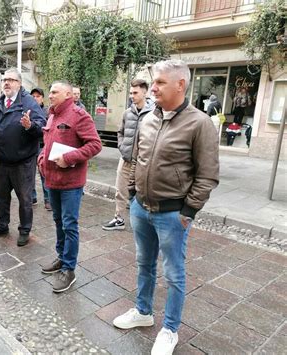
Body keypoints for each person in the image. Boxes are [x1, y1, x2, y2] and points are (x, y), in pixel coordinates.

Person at [112, 60, 219, 355]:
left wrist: (188, 213)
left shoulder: (199, 123)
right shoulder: (148, 118)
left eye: (159, 82)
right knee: (143, 263)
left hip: (173, 214)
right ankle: (143, 311)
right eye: (153, 82)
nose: (153, 88)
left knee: (174, 273)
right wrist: (133, 194)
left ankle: (170, 329)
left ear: (180, 85)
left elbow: (207, 175)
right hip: (141, 208)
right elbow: (136, 158)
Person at [38, 81, 102, 293]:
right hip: (52, 180)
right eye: (50, 92)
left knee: (69, 224)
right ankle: (61, 256)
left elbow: (95, 145)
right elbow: (47, 142)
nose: (50, 95)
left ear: (67, 94)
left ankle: (69, 269)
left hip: (71, 183)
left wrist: (68, 157)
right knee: (58, 221)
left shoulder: (79, 115)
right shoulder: (52, 114)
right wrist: (41, 159)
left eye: (55, 92)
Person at [0, 68, 46, 247]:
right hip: (0, 162)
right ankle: (2, 225)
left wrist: (30, 126)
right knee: (0, 197)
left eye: (11, 80)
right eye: (5, 79)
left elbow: (41, 128)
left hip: (22, 163)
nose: (7, 82)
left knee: (25, 199)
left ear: (19, 84)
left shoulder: (29, 102)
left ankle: (25, 230)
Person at [102, 79, 154, 231]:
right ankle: (119, 219)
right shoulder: (127, 113)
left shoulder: (154, 113)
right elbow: (121, 132)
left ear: (145, 92)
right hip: (125, 159)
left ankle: (143, 222)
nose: (132, 96)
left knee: (143, 192)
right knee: (120, 190)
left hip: (144, 162)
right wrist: (122, 147)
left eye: (135, 93)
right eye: (131, 93)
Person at [30, 87, 51, 211]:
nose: (35, 98)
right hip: (30, 145)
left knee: (44, 173)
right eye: (33, 96)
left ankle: (48, 200)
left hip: (43, 146)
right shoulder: (27, 110)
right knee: (29, 173)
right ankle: (32, 197)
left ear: (42, 98)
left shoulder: (48, 111)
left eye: (38, 96)